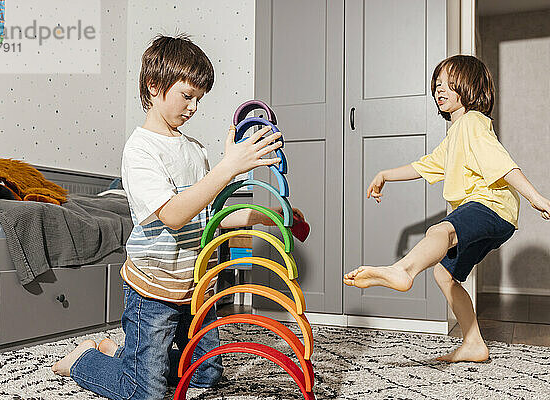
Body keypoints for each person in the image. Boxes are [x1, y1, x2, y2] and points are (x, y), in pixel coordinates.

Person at [51, 34, 293, 399]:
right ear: (153, 86)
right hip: (154, 290)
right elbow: (175, 216)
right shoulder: (140, 150)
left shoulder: (195, 150)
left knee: (207, 376)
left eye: (199, 98)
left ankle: (124, 355)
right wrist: (228, 168)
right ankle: (84, 360)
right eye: (187, 95)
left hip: (195, 287)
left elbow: (211, 217)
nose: (193, 107)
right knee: (144, 393)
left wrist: (265, 215)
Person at [343, 55, 550, 363]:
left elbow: (501, 163)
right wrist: (385, 174)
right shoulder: (456, 133)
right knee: (444, 274)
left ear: (470, 87)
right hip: (494, 216)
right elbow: (424, 165)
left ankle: (403, 270)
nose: (440, 90)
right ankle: (473, 344)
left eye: (449, 84)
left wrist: (537, 198)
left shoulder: (472, 123)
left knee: (442, 230)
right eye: (437, 84)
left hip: (490, 205)